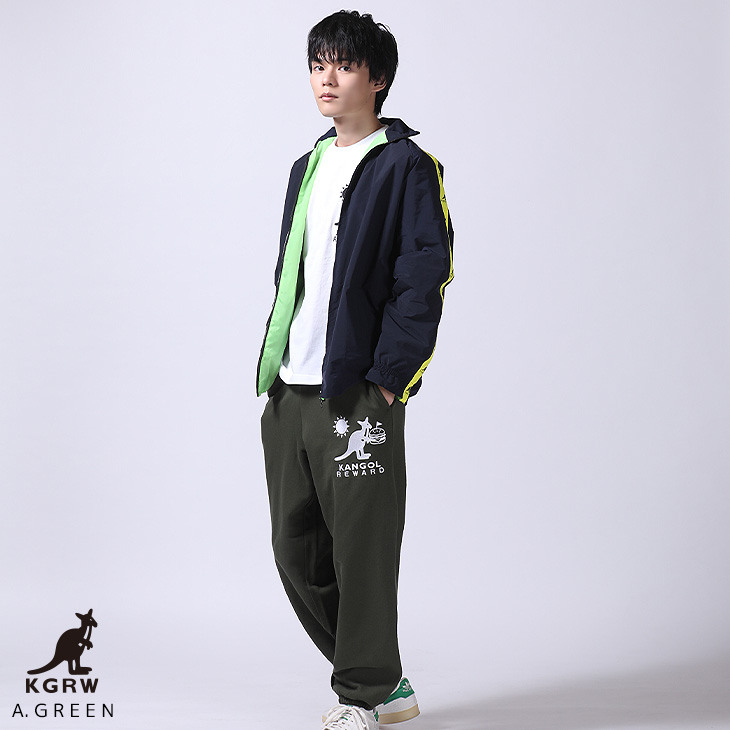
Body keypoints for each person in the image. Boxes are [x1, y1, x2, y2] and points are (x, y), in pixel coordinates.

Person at [257, 9, 454, 730]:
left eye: (343, 65)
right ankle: (385, 680)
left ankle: (362, 694)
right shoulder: (305, 167)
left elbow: (423, 276)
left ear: (378, 78)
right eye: (318, 64)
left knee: (361, 553)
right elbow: (296, 276)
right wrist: (275, 367)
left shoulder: (407, 167)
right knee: (295, 548)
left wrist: (388, 380)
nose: (327, 78)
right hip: (291, 387)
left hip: (358, 392)